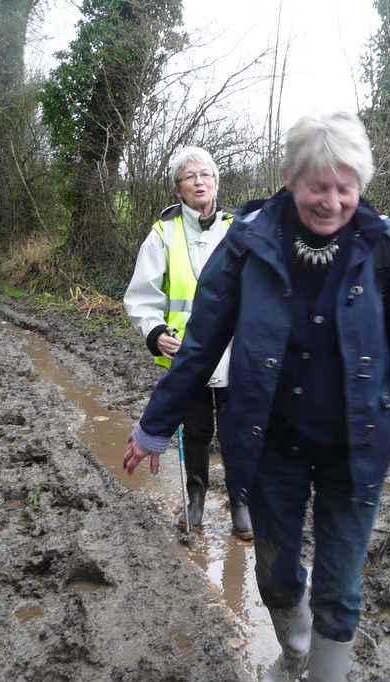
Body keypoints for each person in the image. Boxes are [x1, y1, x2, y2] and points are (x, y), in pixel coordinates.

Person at [123, 112, 390, 682]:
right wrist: (153, 428)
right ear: (291, 179)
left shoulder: (385, 247)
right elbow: (200, 347)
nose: (332, 200)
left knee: (341, 586)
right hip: (269, 443)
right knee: (277, 572)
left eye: (346, 186)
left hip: (355, 446)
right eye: (318, 185)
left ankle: (325, 674)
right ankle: (294, 651)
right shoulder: (247, 243)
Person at [123, 146, 253, 541]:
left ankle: (240, 503)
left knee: (237, 432)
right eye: (190, 177)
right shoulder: (164, 232)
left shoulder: (239, 228)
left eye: (206, 175)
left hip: (236, 353)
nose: (199, 182)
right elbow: (142, 294)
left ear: (216, 182)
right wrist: (155, 331)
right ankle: (195, 498)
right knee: (195, 431)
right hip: (186, 355)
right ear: (178, 189)